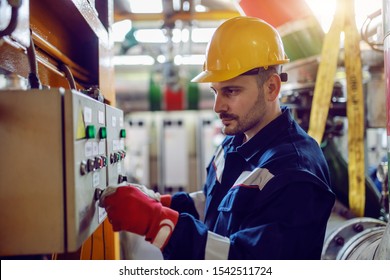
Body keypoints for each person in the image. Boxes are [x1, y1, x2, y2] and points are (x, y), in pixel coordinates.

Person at [100, 16, 335, 260]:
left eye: (231, 91)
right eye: (215, 91)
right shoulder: (236, 139)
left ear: (271, 88)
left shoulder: (295, 173)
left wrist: (158, 223)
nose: (217, 106)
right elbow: (215, 205)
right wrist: (162, 202)